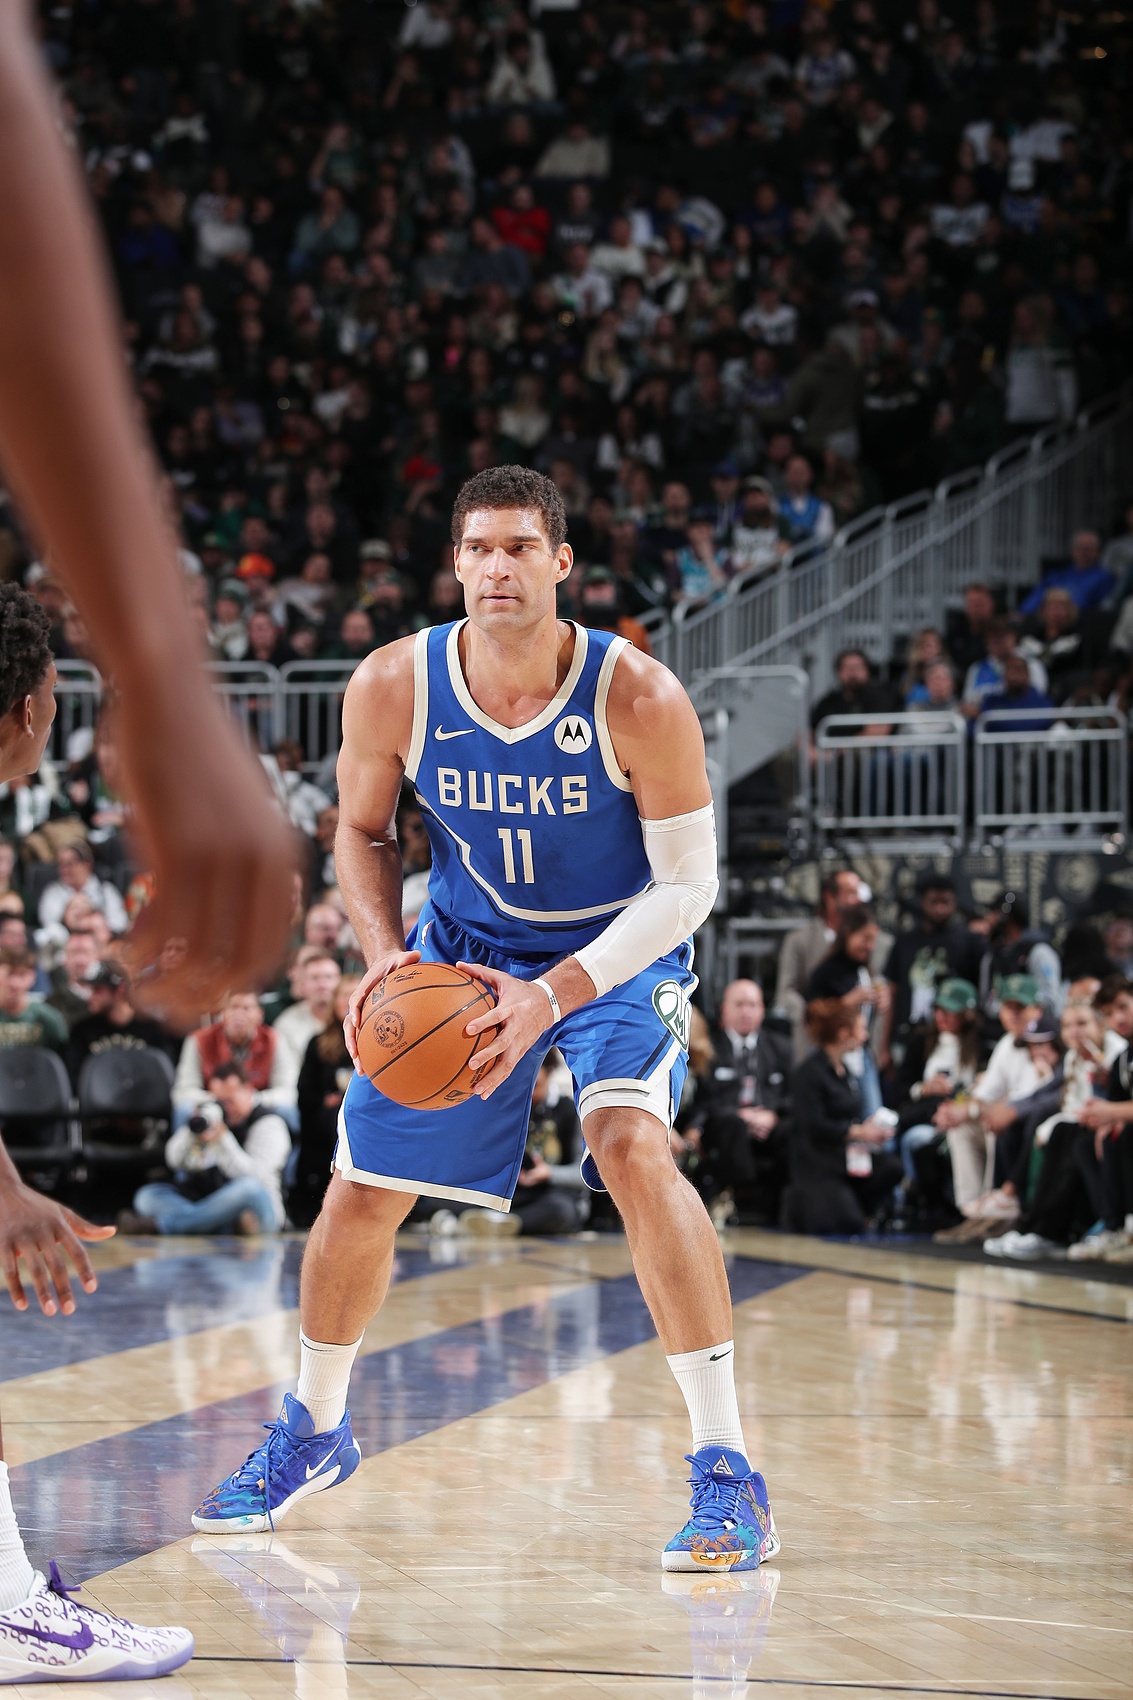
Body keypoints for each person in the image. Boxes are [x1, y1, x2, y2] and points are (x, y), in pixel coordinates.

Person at [193, 465, 781, 1577]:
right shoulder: (392, 683)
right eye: (477, 548)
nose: (496, 567)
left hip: (612, 948)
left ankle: (726, 1465)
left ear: (562, 562)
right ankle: (314, 1426)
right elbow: (361, 832)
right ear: (455, 563)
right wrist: (383, 958)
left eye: (518, 547)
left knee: (630, 1147)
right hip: (462, 949)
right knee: (363, 1188)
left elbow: (687, 887)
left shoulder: (637, 696)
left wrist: (554, 993)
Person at [121, 1062, 291, 1237]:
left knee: (250, 1189)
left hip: (258, 1208)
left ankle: (164, 1226)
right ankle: (209, 1223)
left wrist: (223, 1140)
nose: (225, 1107)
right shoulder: (210, 1119)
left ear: (247, 1091)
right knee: (146, 1197)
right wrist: (192, 1131)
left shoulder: (270, 1124)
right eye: (219, 1101)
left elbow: (255, 1177)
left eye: (230, 1101)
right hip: (212, 1203)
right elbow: (173, 1160)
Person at [784, 999, 903, 1235]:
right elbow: (813, 1125)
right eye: (861, 1028)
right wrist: (857, 1131)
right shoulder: (809, 1073)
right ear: (843, 1033)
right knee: (847, 1223)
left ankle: (859, 1204)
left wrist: (866, 1129)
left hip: (847, 1155)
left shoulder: (845, 1071)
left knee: (892, 1167)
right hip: (819, 1160)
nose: (865, 1035)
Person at [682, 980, 793, 1226]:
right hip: (727, 1126)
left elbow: (791, 1096)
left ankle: (784, 1203)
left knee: (793, 1129)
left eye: (752, 1005)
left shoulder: (780, 1048)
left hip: (769, 1125)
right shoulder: (709, 1048)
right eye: (739, 1004)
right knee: (730, 1125)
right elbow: (704, 1100)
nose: (746, 1012)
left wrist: (772, 1115)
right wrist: (742, 1116)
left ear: (762, 1010)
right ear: (725, 1009)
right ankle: (737, 1195)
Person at [879, 873, 986, 1068]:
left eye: (945, 902)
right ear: (922, 902)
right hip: (907, 1036)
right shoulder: (905, 942)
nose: (940, 909)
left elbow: (979, 995)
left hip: (951, 1042)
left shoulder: (970, 942)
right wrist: (884, 1046)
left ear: (955, 902)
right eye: (934, 902)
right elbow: (891, 994)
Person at [775, 869, 884, 1058]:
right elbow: (786, 992)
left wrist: (882, 991)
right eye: (850, 893)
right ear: (830, 897)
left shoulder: (872, 941)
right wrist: (817, 1016)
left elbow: (877, 977)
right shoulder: (800, 940)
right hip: (814, 1043)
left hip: (861, 1045)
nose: (858, 899)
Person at [805, 904, 890, 1118]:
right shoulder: (827, 971)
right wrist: (845, 1002)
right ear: (848, 934)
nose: (870, 946)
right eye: (865, 938)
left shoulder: (864, 970)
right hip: (834, 1056)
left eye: (873, 940)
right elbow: (811, 1015)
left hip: (862, 1053)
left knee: (873, 1116)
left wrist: (881, 1001)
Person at [289, 976, 361, 1230]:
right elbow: (304, 1093)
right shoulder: (317, 1043)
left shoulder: (378, 1039)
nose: (349, 1001)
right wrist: (325, 1100)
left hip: (362, 1116)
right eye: (343, 996)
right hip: (324, 1120)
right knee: (331, 1121)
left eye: (355, 994)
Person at [174, 990, 298, 1118]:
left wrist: (253, 1099)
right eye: (233, 1007)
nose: (239, 1015)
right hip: (212, 1108)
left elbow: (288, 1092)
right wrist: (220, 1099)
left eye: (246, 1008)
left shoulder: (274, 1040)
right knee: (184, 1110)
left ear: (260, 1014)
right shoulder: (199, 1040)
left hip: (257, 1107)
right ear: (222, 1013)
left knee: (286, 1110)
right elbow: (183, 1091)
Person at [271, 952, 341, 1083]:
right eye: (314, 978)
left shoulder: (352, 1018)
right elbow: (287, 1077)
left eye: (329, 977)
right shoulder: (287, 1024)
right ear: (302, 985)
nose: (322, 984)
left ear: (340, 981)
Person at [0, 947, 68, 1053]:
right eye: (10, 974)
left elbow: (61, 1056)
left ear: (32, 977)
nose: (15, 983)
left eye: (21, 975)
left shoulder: (48, 1019)